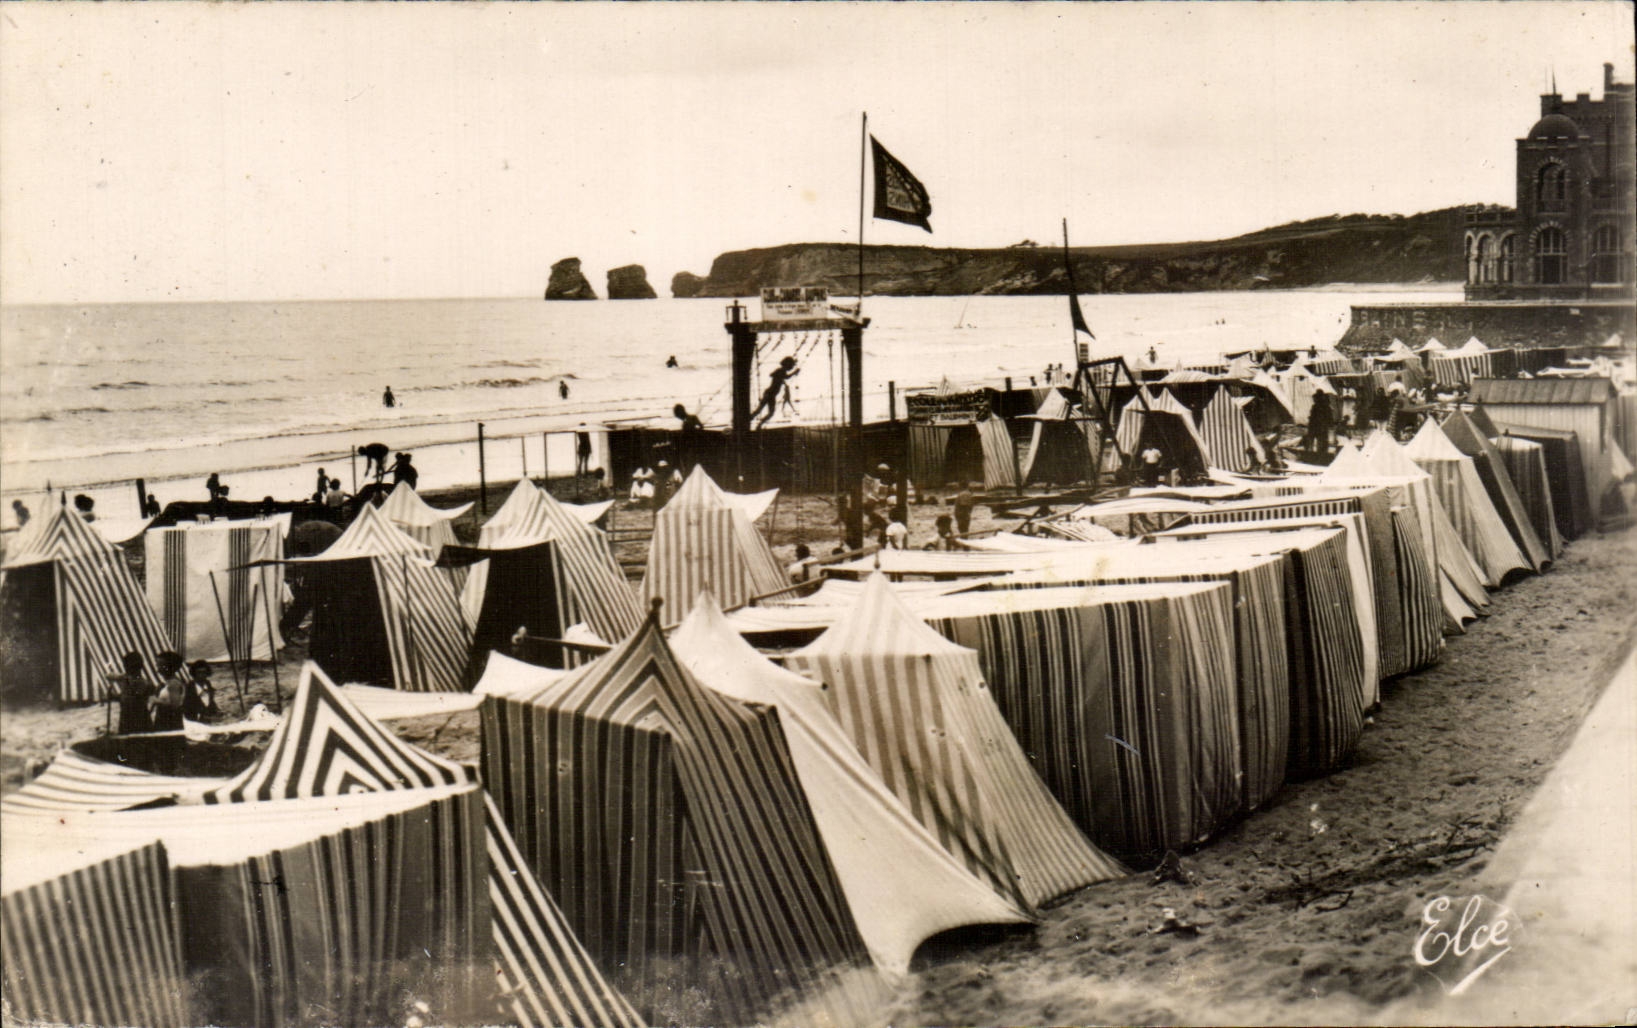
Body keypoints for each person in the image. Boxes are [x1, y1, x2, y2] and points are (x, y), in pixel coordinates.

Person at [106, 652, 155, 735]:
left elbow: (130, 699)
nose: (126, 669)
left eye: (127, 666)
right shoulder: (128, 680)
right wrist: (114, 697)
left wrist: (122, 679)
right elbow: (108, 676)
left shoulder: (142, 683)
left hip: (138, 720)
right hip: (127, 719)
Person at [751, 356, 800, 428]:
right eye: (791, 365)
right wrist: (794, 372)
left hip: (771, 395)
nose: (791, 367)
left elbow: (774, 375)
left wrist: (781, 380)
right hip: (770, 394)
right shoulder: (781, 371)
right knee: (764, 411)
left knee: (767, 412)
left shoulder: (780, 371)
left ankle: (757, 424)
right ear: (788, 365)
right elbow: (786, 377)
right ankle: (756, 423)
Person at [151, 651, 187, 732]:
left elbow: (175, 705)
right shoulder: (165, 683)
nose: (158, 669)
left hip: (170, 724)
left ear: (169, 666)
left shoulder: (174, 683)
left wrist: (155, 700)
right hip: (163, 721)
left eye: (160, 665)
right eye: (157, 665)